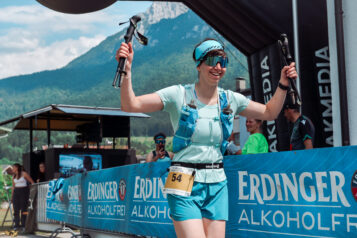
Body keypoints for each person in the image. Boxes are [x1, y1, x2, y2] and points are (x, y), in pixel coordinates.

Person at [116, 38, 297, 238]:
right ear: (199, 65)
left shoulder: (230, 99)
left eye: (223, 62)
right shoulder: (178, 95)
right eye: (212, 60)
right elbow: (130, 105)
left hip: (217, 183)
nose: (218, 67)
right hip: (183, 179)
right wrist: (127, 69)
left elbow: (270, 112)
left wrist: (282, 84)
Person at [11, 163, 34, 229]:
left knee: (24, 209)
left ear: (17, 167)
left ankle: (24, 224)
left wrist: (28, 190)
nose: (12, 169)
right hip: (16, 192)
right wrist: (12, 197)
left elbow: (32, 182)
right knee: (16, 209)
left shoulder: (24, 173)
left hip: (24, 192)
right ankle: (16, 225)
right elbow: (13, 187)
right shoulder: (14, 176)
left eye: (13, 167)